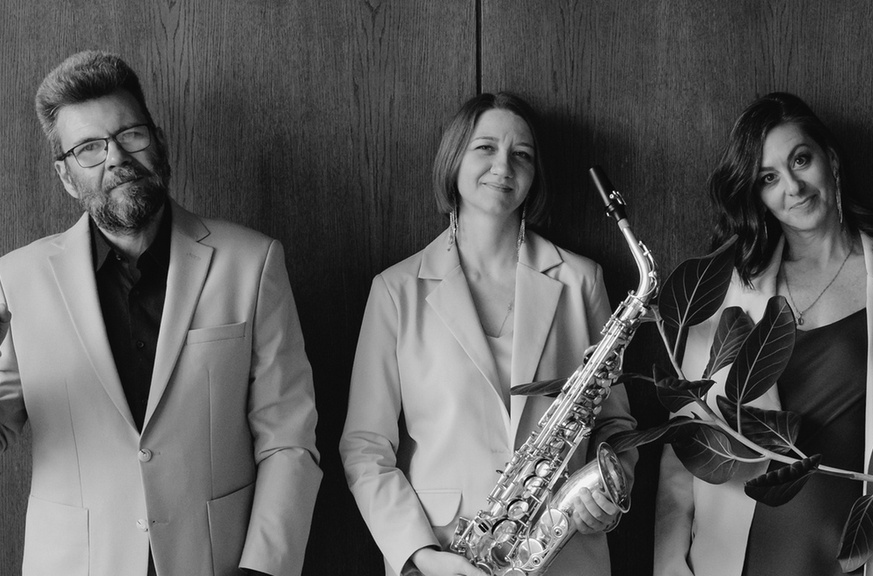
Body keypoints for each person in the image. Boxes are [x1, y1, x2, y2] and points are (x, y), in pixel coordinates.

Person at [0, 51, 321, 576]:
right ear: (66, 176)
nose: (116, 158)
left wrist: (263, 569)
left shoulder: (252, 262)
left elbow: (289, 438)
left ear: (160, 143)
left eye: (130, 134)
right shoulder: (16, 280)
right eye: (88, 148)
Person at [653, 92, 873, 576]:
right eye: (769, 178)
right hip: (742, 559)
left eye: (801, 160)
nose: (793, 187)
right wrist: (671, 567)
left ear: (832, 161)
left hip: (869, 559)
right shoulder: (725, 294)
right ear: (757, 195)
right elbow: (686, 452)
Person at [339, 92, 637, 576]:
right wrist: (420, 556)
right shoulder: (395, 291)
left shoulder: (582, 280)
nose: (504, 166)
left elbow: (616, 426)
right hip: (445, 558)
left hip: (566, 555)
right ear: (453, 159)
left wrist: (608, 487)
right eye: (485, 148)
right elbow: (365, 447)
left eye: (522, 154)